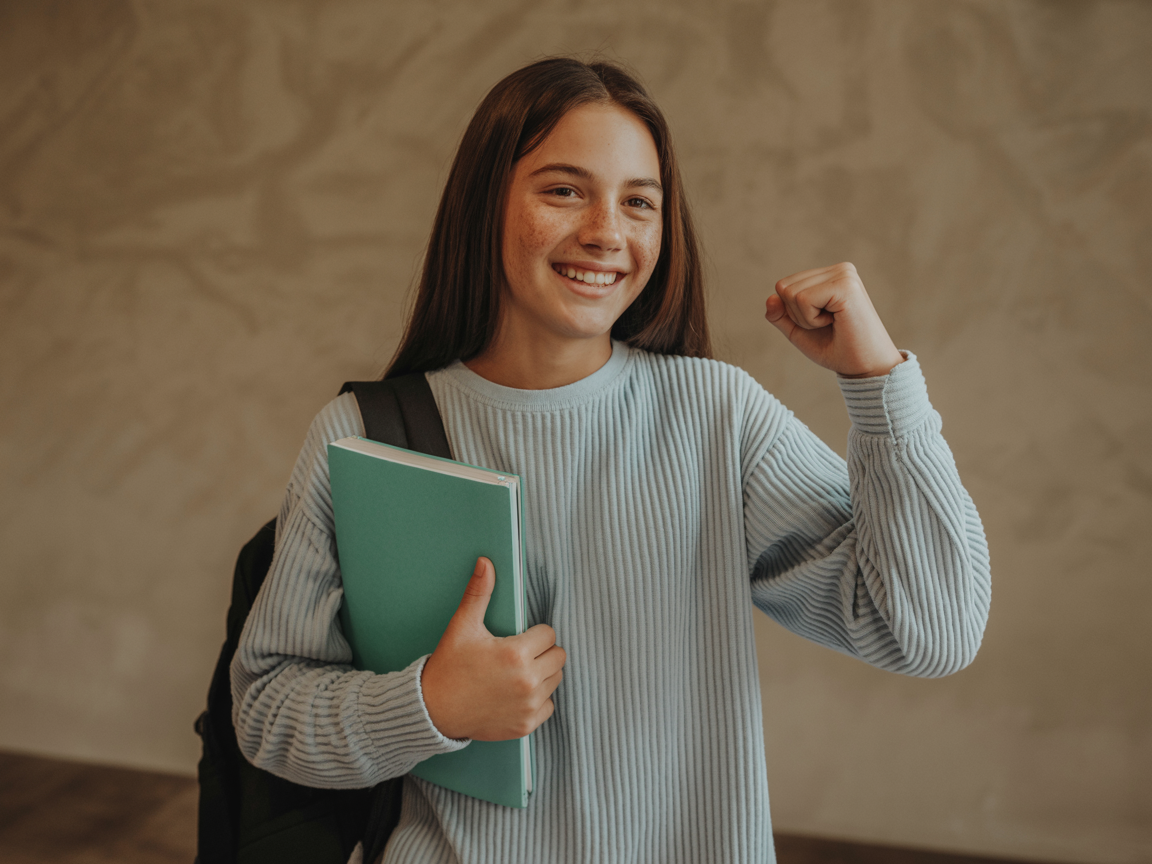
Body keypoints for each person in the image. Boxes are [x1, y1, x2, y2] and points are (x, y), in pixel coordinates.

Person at [231, 57, 991, 863]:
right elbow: (268, 713)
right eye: (563, 190)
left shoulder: (716, 416)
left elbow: (930, 632)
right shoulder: (359, 436)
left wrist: (879, 385)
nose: (606, 232)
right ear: (485, 201)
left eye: (638, 202)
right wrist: (432, 703)